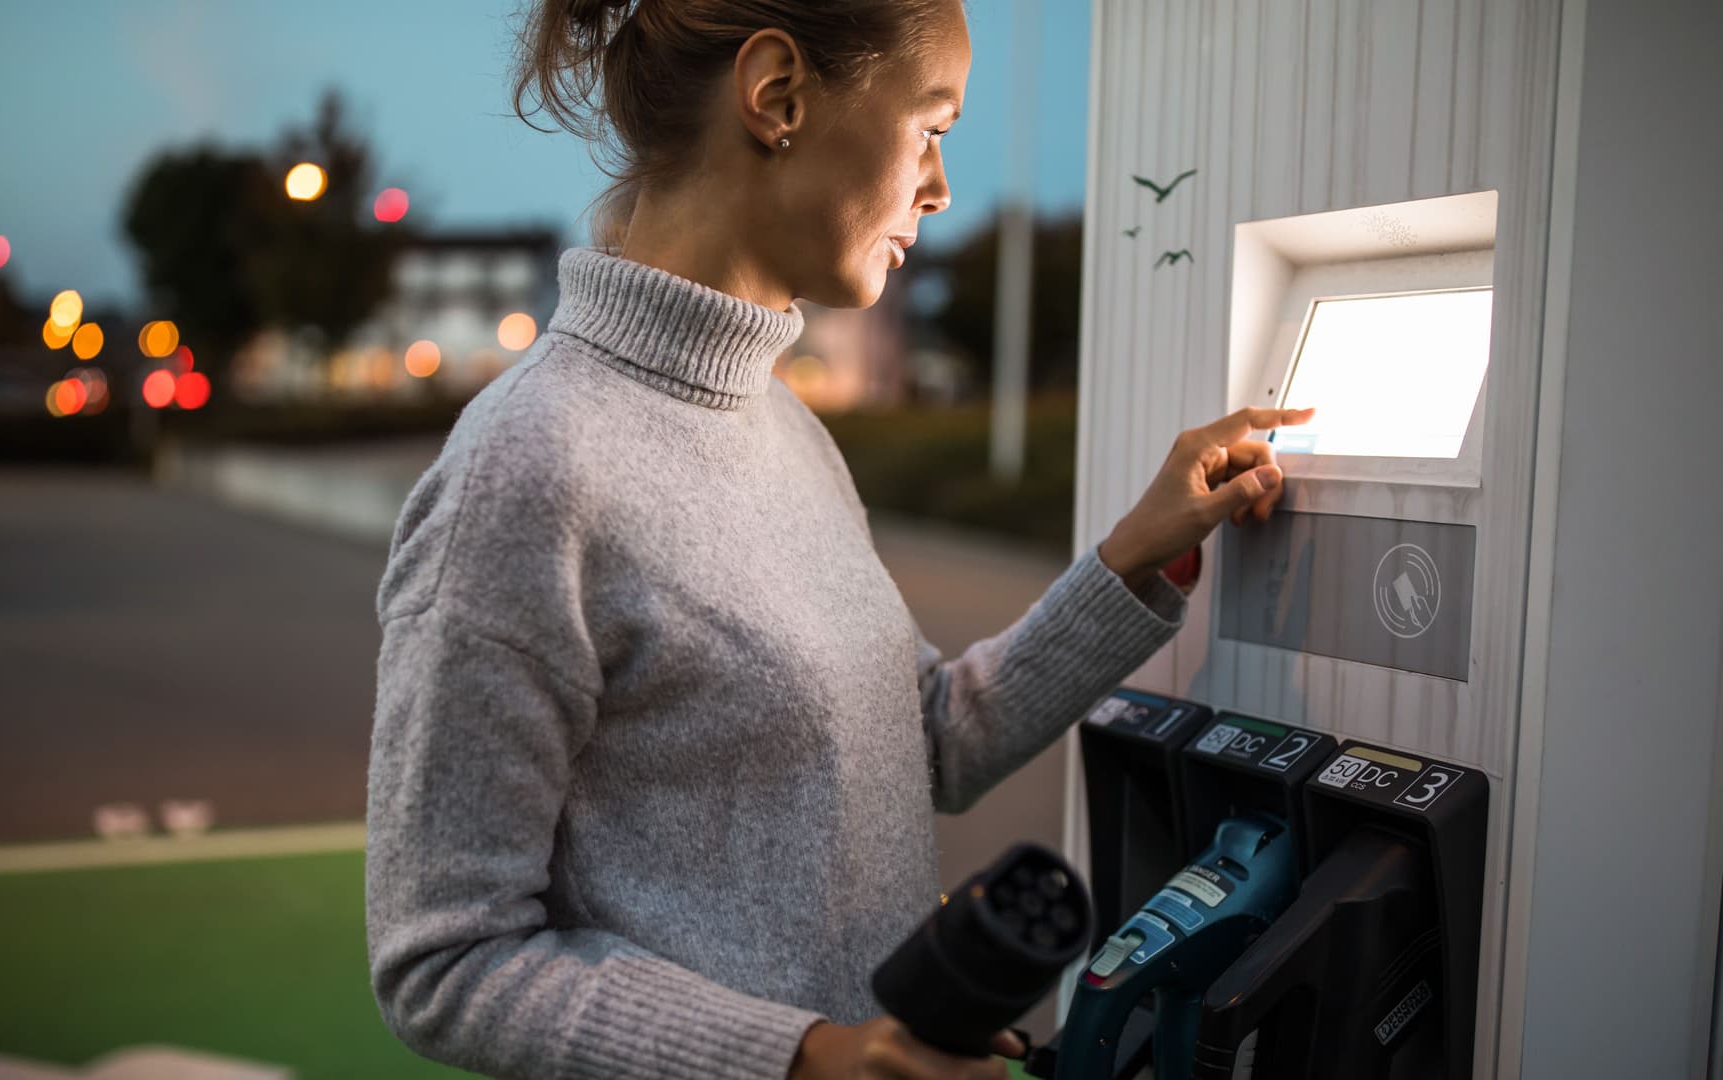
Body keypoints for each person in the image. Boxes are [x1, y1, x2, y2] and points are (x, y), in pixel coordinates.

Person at [364, 1, 1311, 1077]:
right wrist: (802, 1058)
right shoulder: (526, 470)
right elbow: (445, 961)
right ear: (778, 95)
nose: (942, 186)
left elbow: (928, 742)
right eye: (932, 125)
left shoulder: (788, 428)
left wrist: (1137, 556)